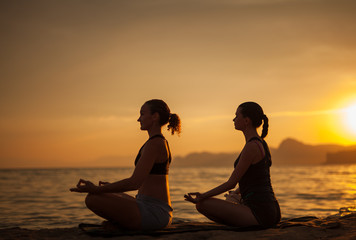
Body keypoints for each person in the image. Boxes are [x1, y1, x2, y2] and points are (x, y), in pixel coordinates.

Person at [70, 99, 181, 230]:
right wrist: (109, 188)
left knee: (92, 198)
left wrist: (96, 189)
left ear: (155, 116)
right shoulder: (155, 142)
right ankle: (120, 223)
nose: (138, 119)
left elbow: (134, 183)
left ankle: (121, 224)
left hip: (155, 213)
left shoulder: (155, 144)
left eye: (142, 114)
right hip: (147, 205)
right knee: (104, 194)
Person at [184, 102, 280, 228]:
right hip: (271, 210)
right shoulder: (260, 143)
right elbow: (258, 177)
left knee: (202, 204)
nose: (233, 119)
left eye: (236, 115)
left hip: (260, 213)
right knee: (231, 199)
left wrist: (202, 196)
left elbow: (231, 182)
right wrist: (236, 193)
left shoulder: (252, 146)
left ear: (246, 121)